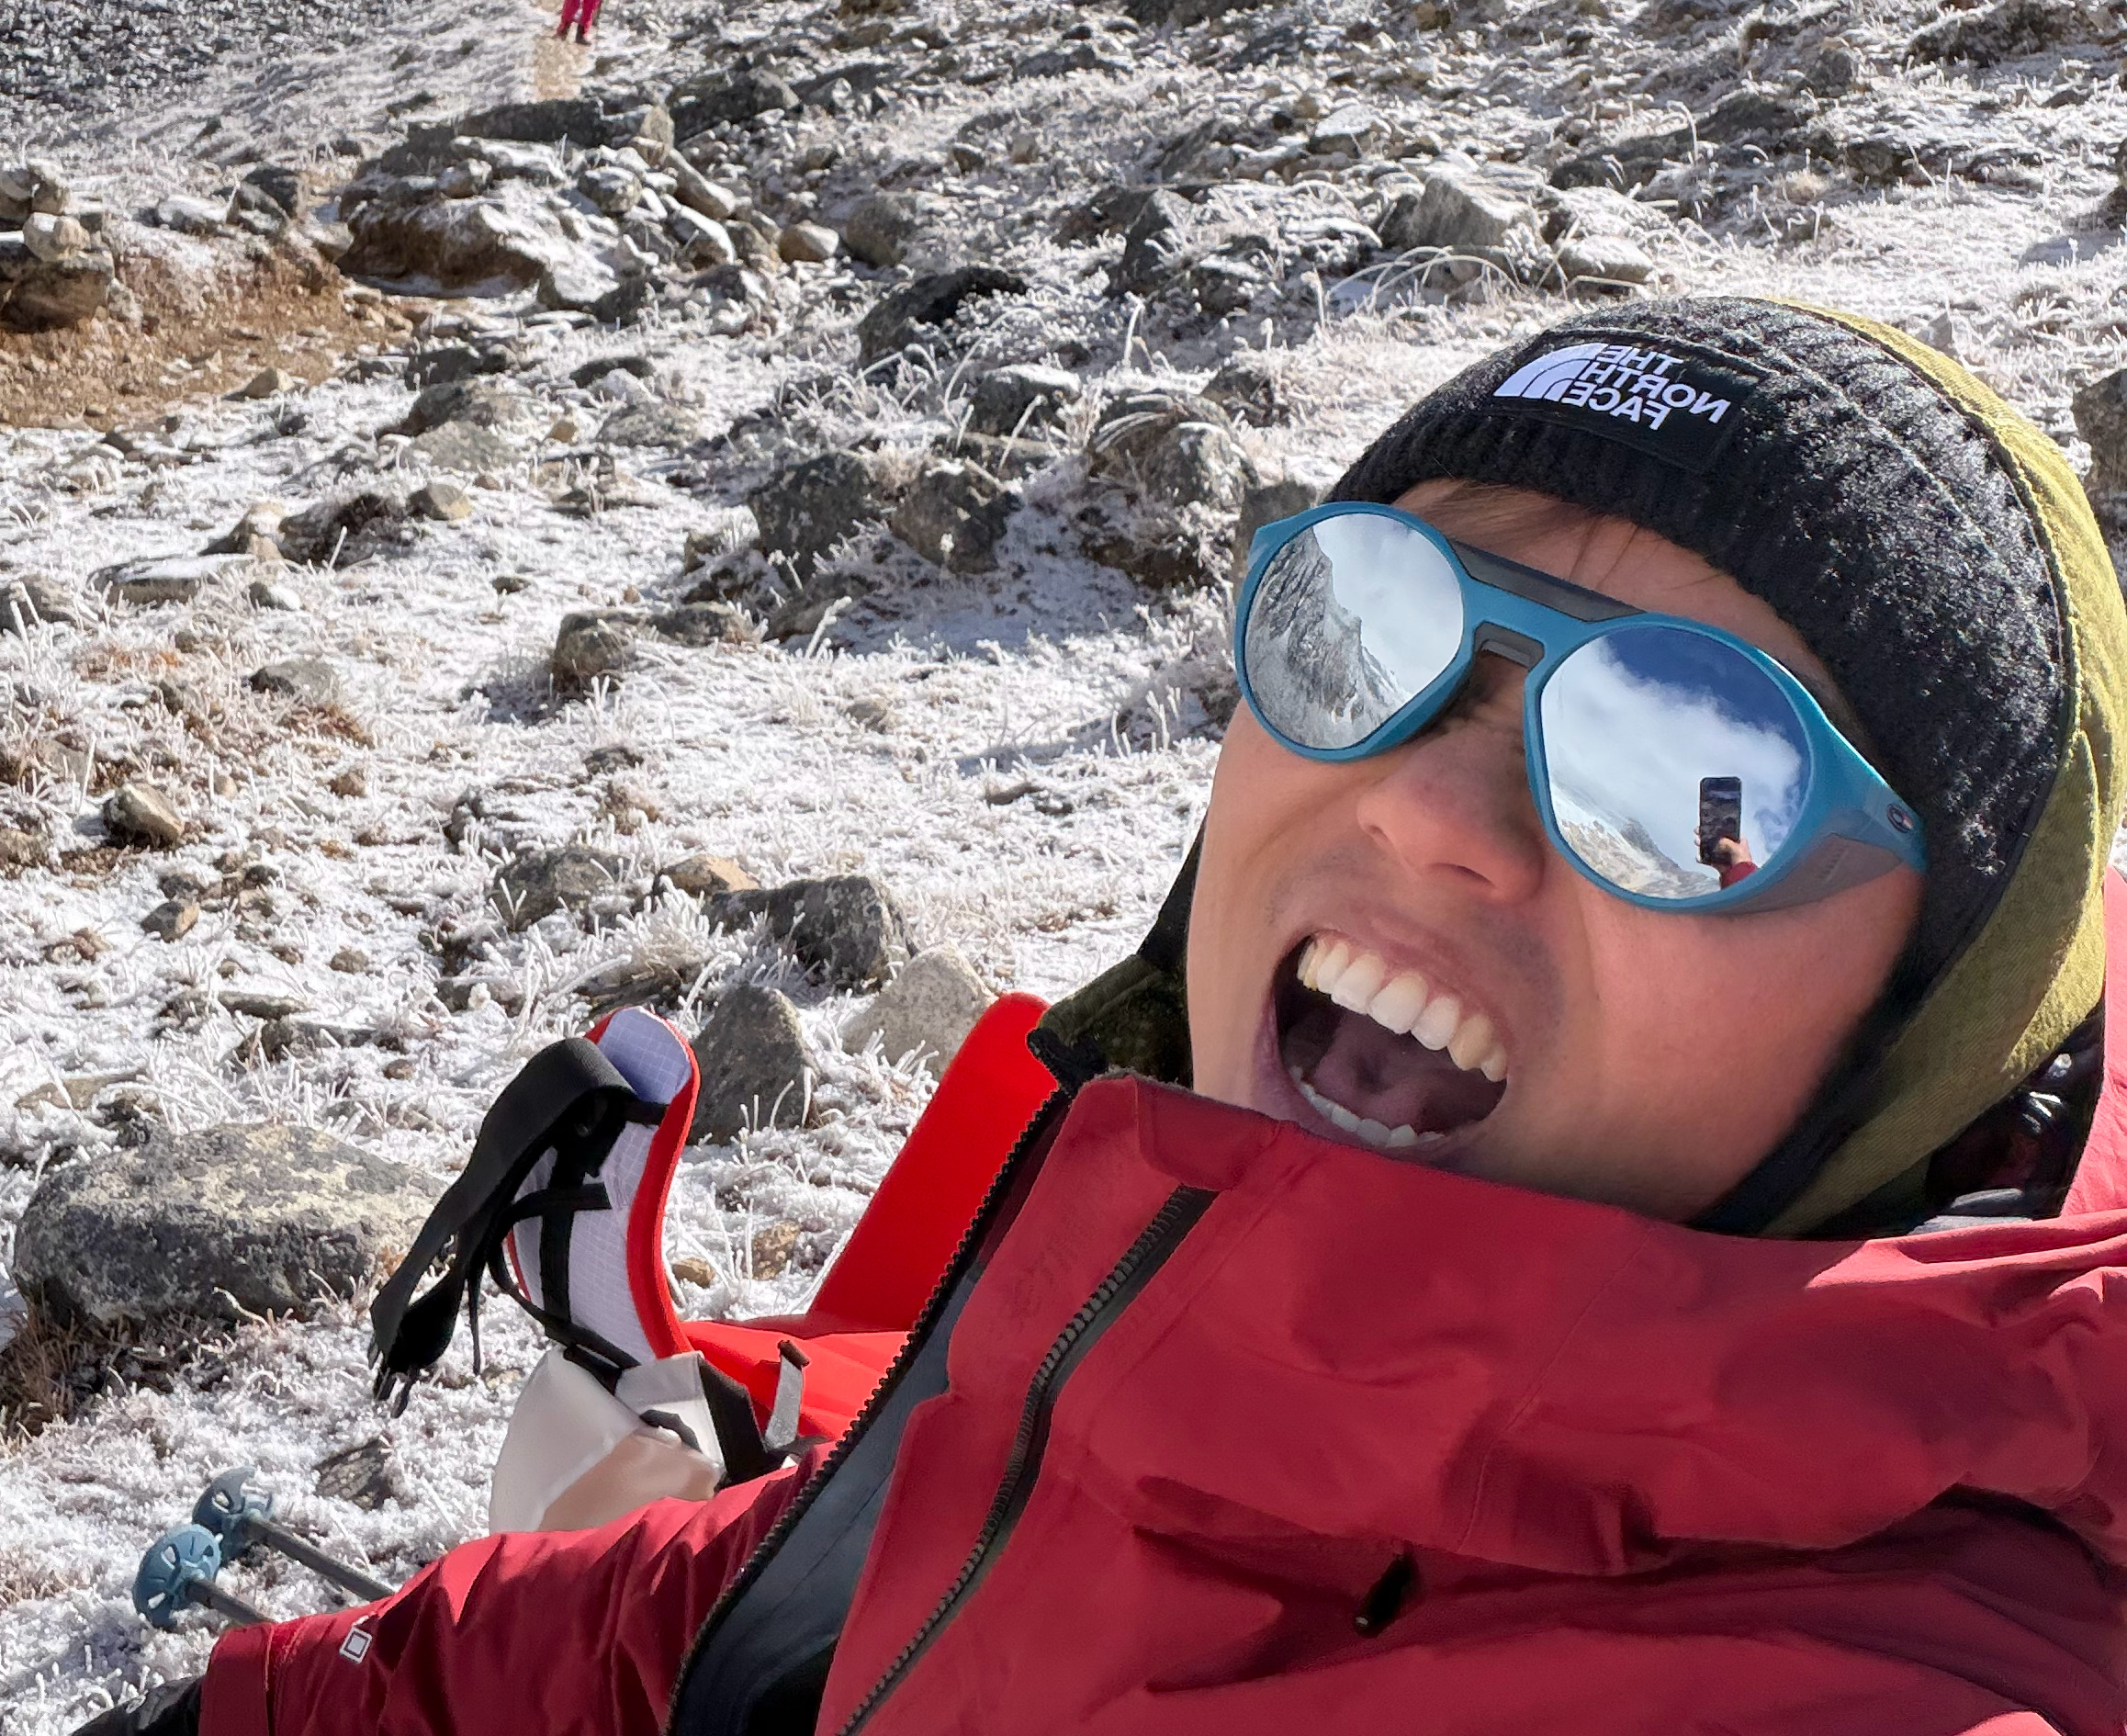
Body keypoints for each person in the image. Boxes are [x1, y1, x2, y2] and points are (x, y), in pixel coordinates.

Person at [91, 301, 2127, 1734]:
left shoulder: (1889, 1677)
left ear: (1933, 1024)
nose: (1430, 804)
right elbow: (797, 1600)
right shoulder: (1155, 1331)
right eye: (1371, 628)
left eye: (1692, 767)